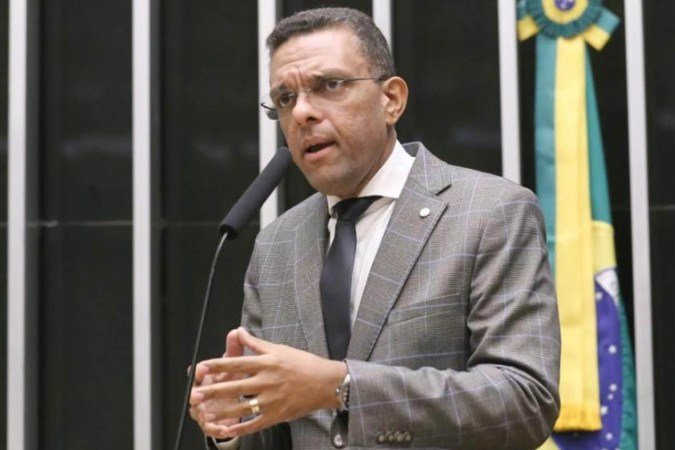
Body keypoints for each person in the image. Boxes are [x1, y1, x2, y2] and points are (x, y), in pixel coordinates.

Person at [189, 7, 560, 449]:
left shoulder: (489, 212)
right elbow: (281, 434)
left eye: (329, 85)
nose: (302, 112)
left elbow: (525, 401)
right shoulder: (276, 244)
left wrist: (341, 386)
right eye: (285, 98)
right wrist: (234, 421)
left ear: (392, 100)